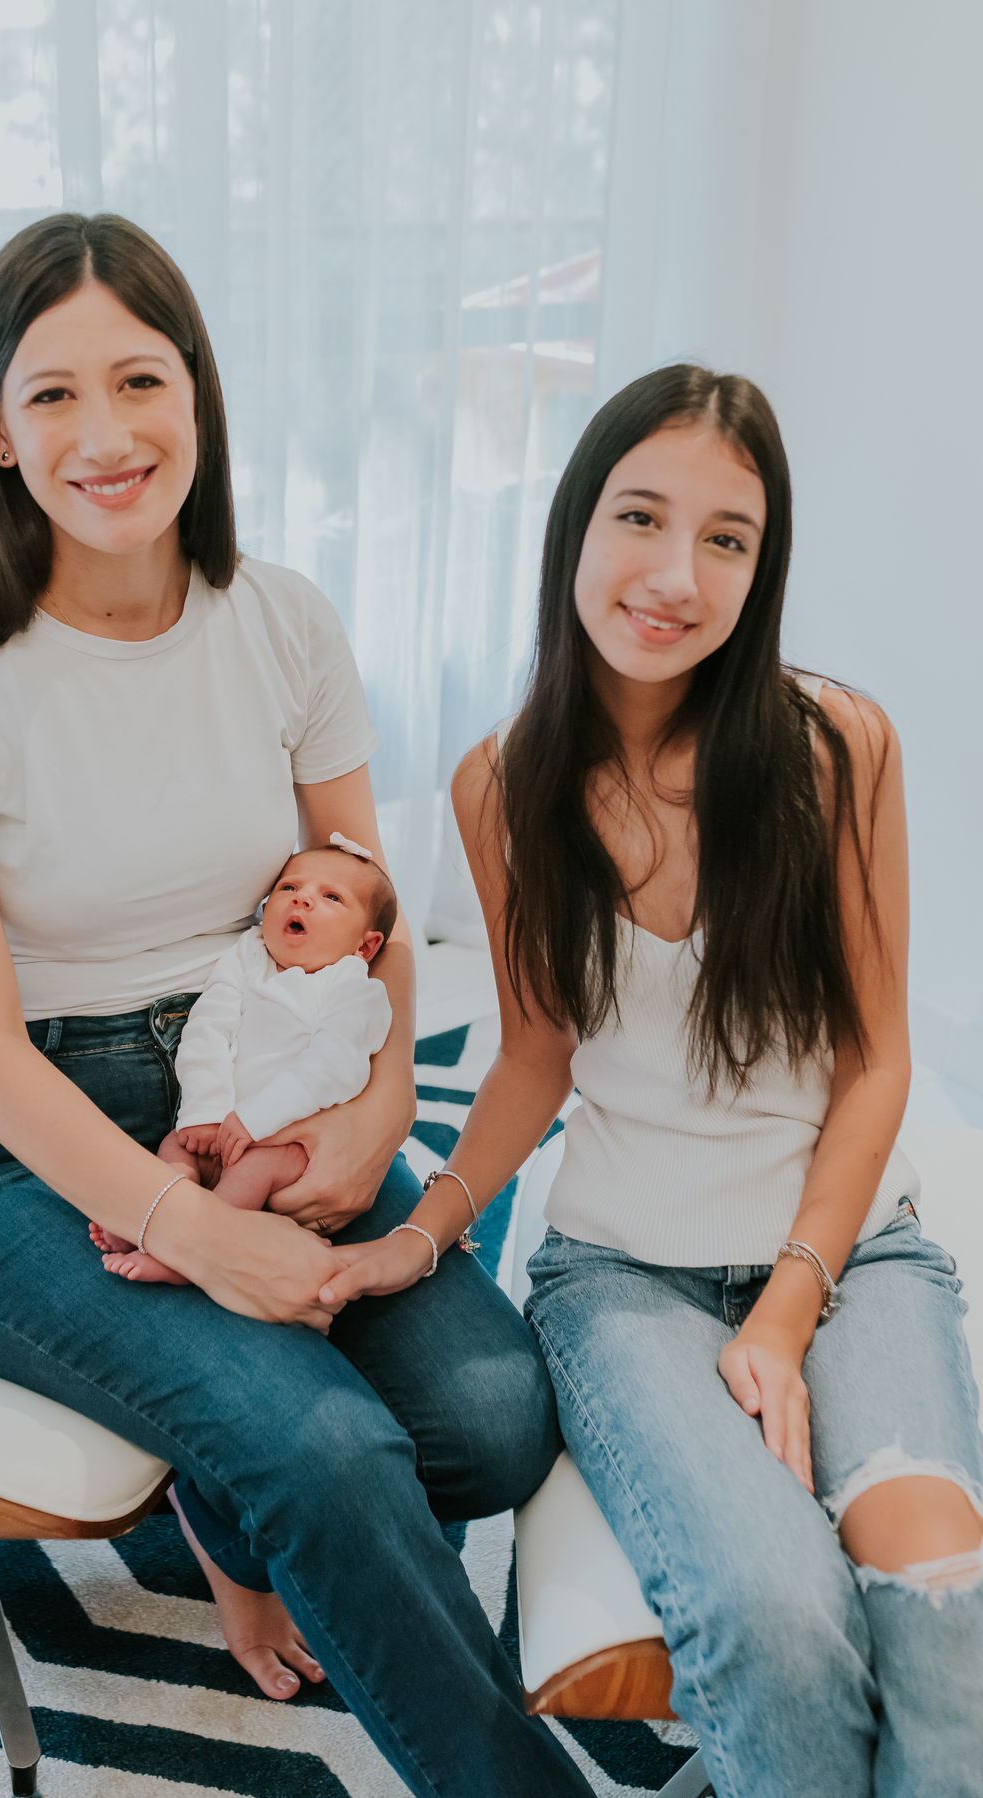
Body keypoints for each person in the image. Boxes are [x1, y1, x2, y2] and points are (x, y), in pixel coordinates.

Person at [0, 211, 594, 1797]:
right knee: (326, 1447)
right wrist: (194, 1234)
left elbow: (374, 916)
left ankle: (219, 1474)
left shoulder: (283, 618)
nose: (106, 435)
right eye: (52, 395)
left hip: (262, 1083)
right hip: (10, 1152)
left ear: (198, 391)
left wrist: (374, 1114)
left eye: (140, 379)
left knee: (493, 1414)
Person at [323, 366, 983, 1796]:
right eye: (642, 515)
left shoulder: (837, 750)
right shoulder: (501, 785)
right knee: (773, 1616)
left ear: (766, 565)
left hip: (857, 1255)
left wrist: (795, 1304)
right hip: (624, 1275)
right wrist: (420, 1232)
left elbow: (877, 1062)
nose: (677, 574)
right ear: (575, 525)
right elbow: (536, 1053)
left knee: (946, 1606)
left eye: (729, 539)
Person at [92, 839, 395, 1283]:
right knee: (177, 1147)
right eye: (290, 886)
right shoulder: (248, 956)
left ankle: (194, 1254)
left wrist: (257, 1120)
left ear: (365, 946)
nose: (303, 897)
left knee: (254, 1169)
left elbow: (335, 1067)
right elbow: (206, 1028)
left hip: (289, 1141)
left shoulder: (353, 989)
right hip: (223, 1125)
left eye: (331, 897)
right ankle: (149, 1219)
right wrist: (206, 1112)